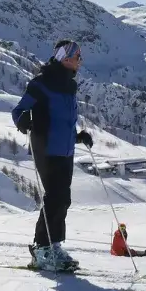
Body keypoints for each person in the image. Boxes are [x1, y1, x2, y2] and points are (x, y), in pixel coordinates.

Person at [11, 40, 93, 271]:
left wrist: (78, 136)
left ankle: (53, 246)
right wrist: (23, 121)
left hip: (65, 148)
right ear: (65, 58)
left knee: (63, 199)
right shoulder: (42, 83)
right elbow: (18, 111)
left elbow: (63, 120)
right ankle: (41, 249)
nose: (80, 60)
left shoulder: (69, 86)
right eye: (77, 56)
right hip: (46, 146)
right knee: (54, 197)